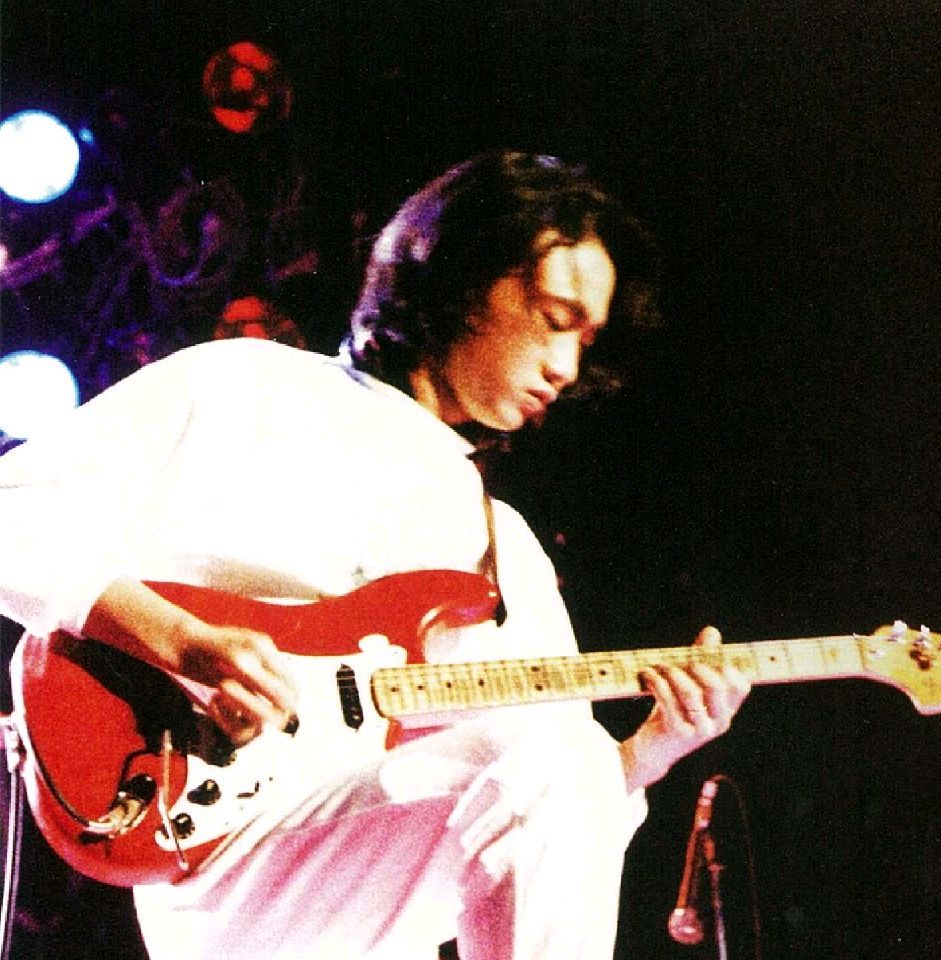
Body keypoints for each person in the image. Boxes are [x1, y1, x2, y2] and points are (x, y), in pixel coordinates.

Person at [0, 150, 750, 960]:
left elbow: (545, 813)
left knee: (566, 757)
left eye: (586, 339)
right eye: (552, 316)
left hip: (366, 888)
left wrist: (649, 752)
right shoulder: (244, 385)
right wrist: (180, 640)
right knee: (551, 757)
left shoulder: (507, 550)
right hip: (216, 851)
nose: (566, 368)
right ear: (463, 275)